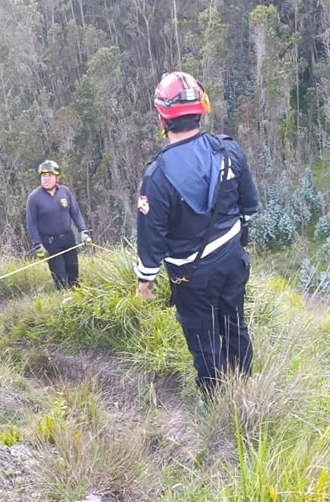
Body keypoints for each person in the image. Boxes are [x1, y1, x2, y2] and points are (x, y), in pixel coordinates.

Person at [134, 71, 259, 400]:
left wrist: (146, 277)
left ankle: (216, 400)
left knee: (203, 337)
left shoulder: (157, 175)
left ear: (162, 118)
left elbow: (151, 234)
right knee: (234, 322)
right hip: (233, 259)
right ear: (201, 110)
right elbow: (250, 207)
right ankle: (245, 386)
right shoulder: (229, 150)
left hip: (191, 275)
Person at [25, 160, 92, 289]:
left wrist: (83, 231)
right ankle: (63, 296)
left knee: (73, 273)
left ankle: (76, 296)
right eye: (43, 176)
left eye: (50, 175)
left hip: (68, 238)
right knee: (60, 276)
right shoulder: (34, 198)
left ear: (57, 177)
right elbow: (31, 223)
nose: (46, 178)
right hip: (50, 242)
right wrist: (37, 245)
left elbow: (75, 213)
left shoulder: (65, 192)